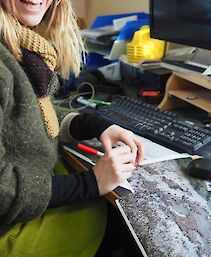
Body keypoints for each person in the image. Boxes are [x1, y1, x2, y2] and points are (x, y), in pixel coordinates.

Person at [0, 0, 144, 256]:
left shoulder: (17, 39)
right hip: (7, 231)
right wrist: (92, 182)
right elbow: (3, 190)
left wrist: (95, 125)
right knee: (120, 225)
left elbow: (25, 114)